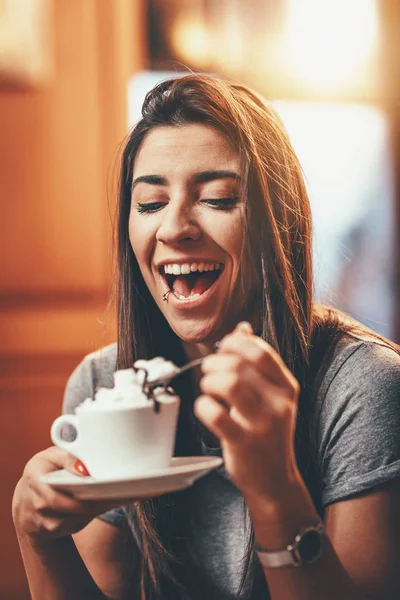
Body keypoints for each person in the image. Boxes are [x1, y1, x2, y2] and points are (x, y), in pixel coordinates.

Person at [12, 74, 400, 600]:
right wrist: (41, 542)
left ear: (276, 222)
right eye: (150, 204)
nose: (174, 228)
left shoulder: (365, 388)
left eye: (217, 198)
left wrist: (275, 487)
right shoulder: (104, 386)